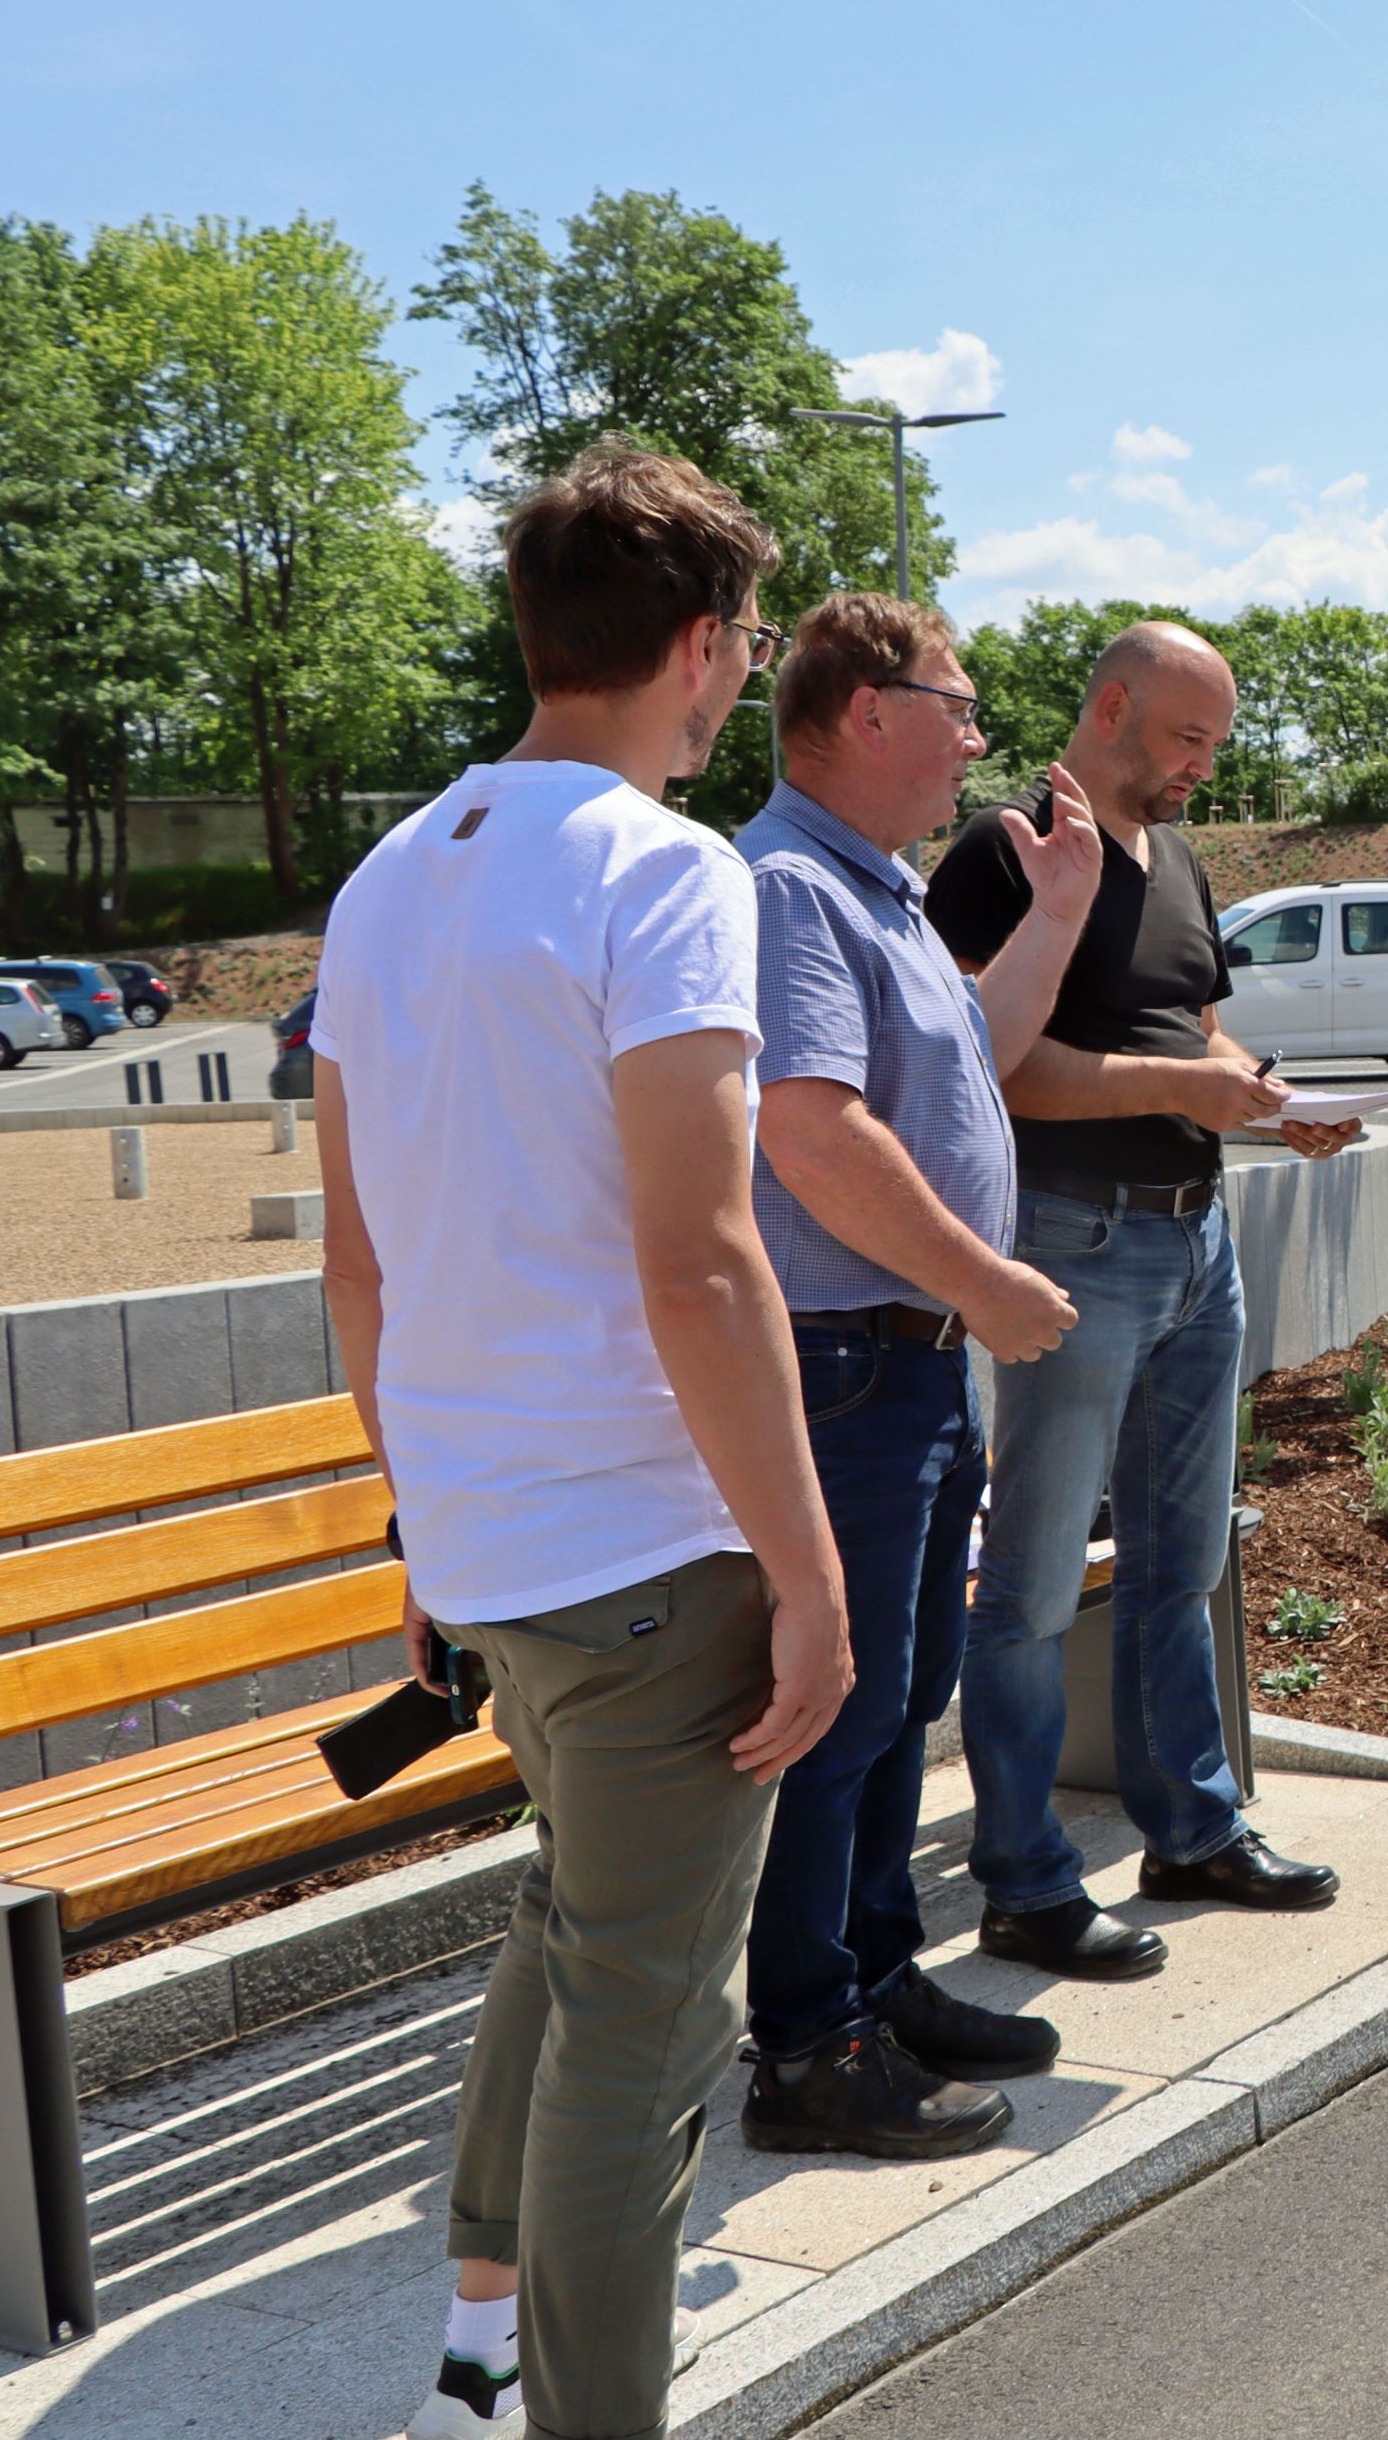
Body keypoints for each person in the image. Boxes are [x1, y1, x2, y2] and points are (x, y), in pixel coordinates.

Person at [320, 443, 853, 2440]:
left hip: (492, 1550)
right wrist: (809, 1574)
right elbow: (701, 1260)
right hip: (647, 1556)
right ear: (701, 646)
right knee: (642, 2031)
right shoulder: (666, 869)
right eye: (748, 649)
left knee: (576, 1926)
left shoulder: (387, 876)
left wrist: (421, 1528)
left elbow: (359, 1264)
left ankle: (479, 2342)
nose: (740, 682)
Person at [733, 593, 1112, 2159]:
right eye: (956, 706)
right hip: (847, 1364)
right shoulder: (786, 888)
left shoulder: (871, 887)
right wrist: (984, 1281)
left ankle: (874, 1980)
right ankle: (806, 2042)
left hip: (910, 1368)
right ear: (867, 709)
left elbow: (977, 1056)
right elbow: (810, 1132)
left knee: (901, 1696)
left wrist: (1061, 913)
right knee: (842, 1708)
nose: (976, 738)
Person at [924, 621, 1356, 1982]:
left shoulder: (1178, 857)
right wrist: (1187, 1088)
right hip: (1074, 1241)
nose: (1202, 768)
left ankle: (1192, 1828)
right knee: (1035, 1583)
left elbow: (1199, 1028)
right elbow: (994, 1067)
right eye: (1187, 738)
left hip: (1195, 1240)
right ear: (1111, 707)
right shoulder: (1007, 851)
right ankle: (1025, 1881)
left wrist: (1273, 1097)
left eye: (1215, 743)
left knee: (1183, 1558)